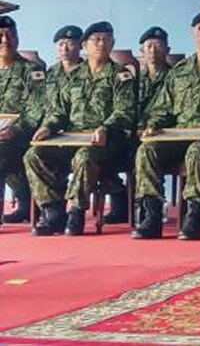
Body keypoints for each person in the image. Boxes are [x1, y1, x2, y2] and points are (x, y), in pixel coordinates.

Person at [131, 10, 200, 240]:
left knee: (197, 151)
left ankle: (195, 214)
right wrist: (153, 125)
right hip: (176, 135)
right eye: (199, 29)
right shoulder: (180, 71)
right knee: (146, 150)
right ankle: (152, 215)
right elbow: (162, 108)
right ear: (193, 34)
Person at [25, 21, 135, 236]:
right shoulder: (73, 76)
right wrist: (48, 127)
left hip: (106, 140)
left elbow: (125, 111)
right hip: (71, 137)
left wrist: (105, 127)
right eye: (96, 39)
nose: (101, 43)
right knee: (33, 154)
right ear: (85, 45)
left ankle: (76, 212)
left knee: (84, 157)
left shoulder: (121, 75)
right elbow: (59, 111)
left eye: (106, 39)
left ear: (113, 43)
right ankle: (53, 211)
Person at [0, 16, 46, 225]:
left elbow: (37, 110)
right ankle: (25, 201)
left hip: (21, 135)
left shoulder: (32, 71)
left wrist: (15, 129)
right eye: (0, 36)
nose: (5, 40)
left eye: (10, 35)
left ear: (18, 39)